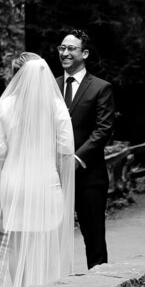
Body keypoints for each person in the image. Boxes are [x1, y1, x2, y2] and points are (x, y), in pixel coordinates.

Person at [0, 52, 76, 287]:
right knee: (44, 242)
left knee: (14, 242)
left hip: (13, 182)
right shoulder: (57, 106)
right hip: (45, 183)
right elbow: (66, 149)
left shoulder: (5, 105)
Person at [57, 28, 116, 268]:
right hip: (55, 176)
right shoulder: (50, 85)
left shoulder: (101, 88)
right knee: (52, 238)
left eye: (71, 48)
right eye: (62, 48)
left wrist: (76, 159)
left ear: (85, 53)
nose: (65, 52)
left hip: (89, 176)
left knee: (93, 239)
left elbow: (103, 130)